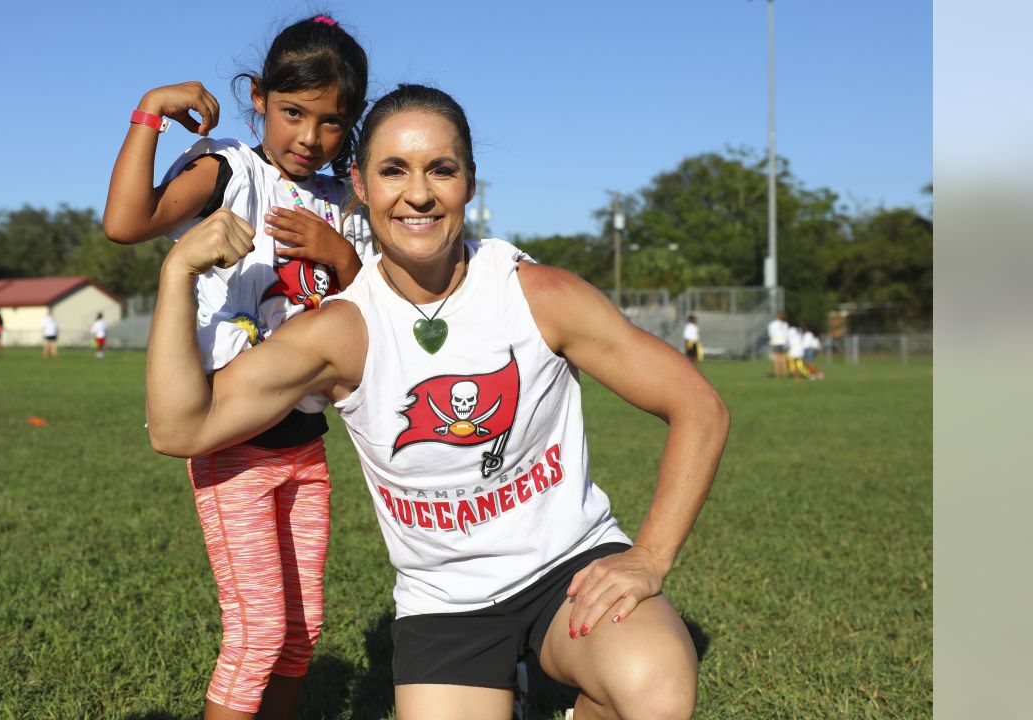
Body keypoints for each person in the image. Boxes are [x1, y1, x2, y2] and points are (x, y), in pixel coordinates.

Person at [145, 84, 730, 720]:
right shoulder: (342, 330)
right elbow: (182, 428)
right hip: (444, 605)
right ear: (361, 188)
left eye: (441, 170)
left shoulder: (535, 294)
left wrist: (648, 557)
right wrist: (177, 274)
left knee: (654, 686)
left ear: (470, 184)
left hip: (569, 571)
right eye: (393, 170)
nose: (418, 193)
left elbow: (698, 406)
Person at [104, 15, 372, 720]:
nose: (309, 138)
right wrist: (151, 113)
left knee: (301, 633)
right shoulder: (231, 168)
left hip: (306, 451)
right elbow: (129, 222)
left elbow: (370, 320)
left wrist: (340, 257)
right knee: (256, 635)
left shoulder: (348, 205)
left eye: (332, 122)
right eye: (292, 112)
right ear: (257, 97)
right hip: (232, 447)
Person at [767, 312, 789, 378]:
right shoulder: (785, 324)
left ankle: (777, 374)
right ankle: (785, 374)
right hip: (783, 342)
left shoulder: (772, 324)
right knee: (783, 358)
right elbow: (787, 334)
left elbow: (770, 334)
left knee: (777, 359)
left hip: (775, 342)